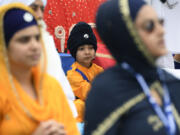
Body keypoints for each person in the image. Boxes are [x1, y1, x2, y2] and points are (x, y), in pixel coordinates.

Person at [84, 0, 180, 135]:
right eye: (149, 26)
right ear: (125, 34)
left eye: (160, 23)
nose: (161, 31)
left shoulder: (171, 83)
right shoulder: (108, 91)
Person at [0, 3, 80, 135]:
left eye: (37, 38)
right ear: (4, 46)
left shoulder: (51, 86)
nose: (35, 46)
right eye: (24, 40)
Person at [67, 22, 104, 122]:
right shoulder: (72, 74)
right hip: (80, 116)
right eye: (81, 49)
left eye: (91, 48)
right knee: (79, 105)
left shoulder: (99, 70)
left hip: (97, 106)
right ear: (74, 52)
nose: (87, 52)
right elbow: (90, 93)